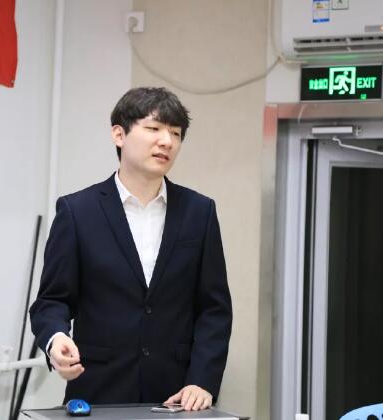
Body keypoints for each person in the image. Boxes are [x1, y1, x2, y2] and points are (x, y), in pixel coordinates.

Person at [29, 87, 232, 411]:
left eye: (175, 133)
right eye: (154, 128)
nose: (166, 141)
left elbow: (214, 309)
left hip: (177, 398)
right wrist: (55, 338)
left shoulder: (199, 212)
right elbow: (52, 300)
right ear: (119, 134)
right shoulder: (78, 211)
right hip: (98, 391)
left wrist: (203, 380)